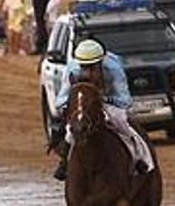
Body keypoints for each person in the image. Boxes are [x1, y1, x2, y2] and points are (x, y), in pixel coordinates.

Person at [51, 39, 152, 181]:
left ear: (100, 63)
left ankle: (138, 158)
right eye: (84, 67)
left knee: (120, 122)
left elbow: (125, 100)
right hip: (85, 103)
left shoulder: (113, 69)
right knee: (71, 129)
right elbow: (60, 101)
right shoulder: (72, 69)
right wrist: (74, 106)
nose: (87, 74)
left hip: (109, 100)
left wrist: (104, 100)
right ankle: (64, 163)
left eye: (92, 68)